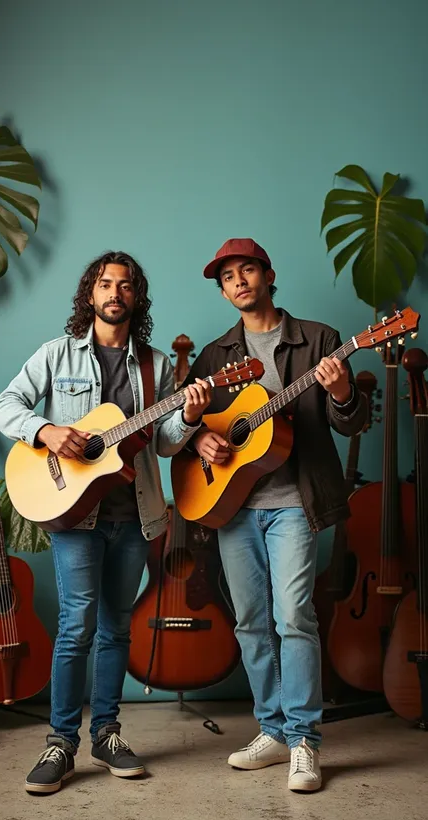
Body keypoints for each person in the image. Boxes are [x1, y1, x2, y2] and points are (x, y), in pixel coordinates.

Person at [0, 251, 210, 794]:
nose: (115, 293)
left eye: (126, 285)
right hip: (75, 515)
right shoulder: (57, 354)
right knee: (76, 625)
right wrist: (45, 431)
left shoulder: (156, 364)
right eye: (105, 284)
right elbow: (5, 405)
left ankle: (107, 733)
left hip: (135, 514)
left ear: (138, 298)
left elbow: (161, 443)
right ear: (90, 295)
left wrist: (185, 414)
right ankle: (60, 743)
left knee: (116, 627)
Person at [181, 238, 367, 792]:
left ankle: (305, 740)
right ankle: (272, 730)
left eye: (248, 270)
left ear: (269, 275)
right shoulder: (215, 355)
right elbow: (188, 430)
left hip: (294, 502)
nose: (238, 281)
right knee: (250, 622)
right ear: (222, 290)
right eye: (228, 277)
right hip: (233, 508)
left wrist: (340, 394)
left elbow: (351, 424)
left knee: (294, 618)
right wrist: (200, 444)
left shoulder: (321, 340)